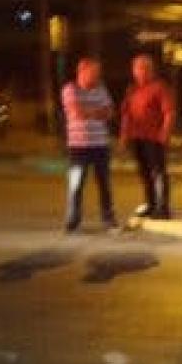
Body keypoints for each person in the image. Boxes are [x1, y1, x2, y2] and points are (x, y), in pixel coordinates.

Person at [61, 57, 118, 234]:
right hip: (78, 147)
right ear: (82, 72)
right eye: (93, 73)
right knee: (76, 184)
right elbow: (77, 112)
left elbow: (110, 113)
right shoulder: (70, 89)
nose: (97, 76)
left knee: (104, 184)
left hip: (100, 145)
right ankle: (73, 221)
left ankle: (108, 219)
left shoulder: (101, 89)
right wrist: (97, 112)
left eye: (97, 73)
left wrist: (90, 111)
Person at [120, 54, 176, 220]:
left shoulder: (159, 87)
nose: (140, 72)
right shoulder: (132, 90)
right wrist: (124, 135)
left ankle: (163, 207)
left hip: (154, 138)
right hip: (137, 137)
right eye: (137, 68)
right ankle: (151, 204)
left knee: (158, 172)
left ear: (151, 70)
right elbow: (126, 114)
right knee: (144, 173)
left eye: (144, 68)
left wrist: (165, 133)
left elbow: (169, 112)